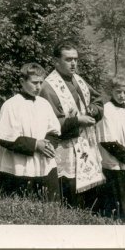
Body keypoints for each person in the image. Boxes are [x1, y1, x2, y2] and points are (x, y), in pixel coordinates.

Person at [39, 42, 105, 208]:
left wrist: (92, 110)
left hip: (86, 145)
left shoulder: (78, 80)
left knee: (89, 199)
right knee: (70, 197)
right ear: (56, 61)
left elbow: (97, 101)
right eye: (68, 59)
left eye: (75, 59)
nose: (74, 63)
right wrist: (77, 121)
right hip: (66, 149)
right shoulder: (48, 87)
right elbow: (49, 125)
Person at [0, 63, 61, 202]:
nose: (38, 87)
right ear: (22, 82)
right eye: (34, 83)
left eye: (41, 82)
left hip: (45, 166)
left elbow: (54, 131)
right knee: (19, 206)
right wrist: (36, 145)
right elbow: (5, 138)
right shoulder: (11, 105)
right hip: (18, 168)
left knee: (48, 206)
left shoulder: (44, 104)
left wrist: (48, 145)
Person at [96, 75, 125, 221]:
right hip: (114, 159)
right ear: (111, 90)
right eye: (118, 92)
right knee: (116, 194)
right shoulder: (106, 109)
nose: (122, 95)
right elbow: (106, 139)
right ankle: (114, 219)